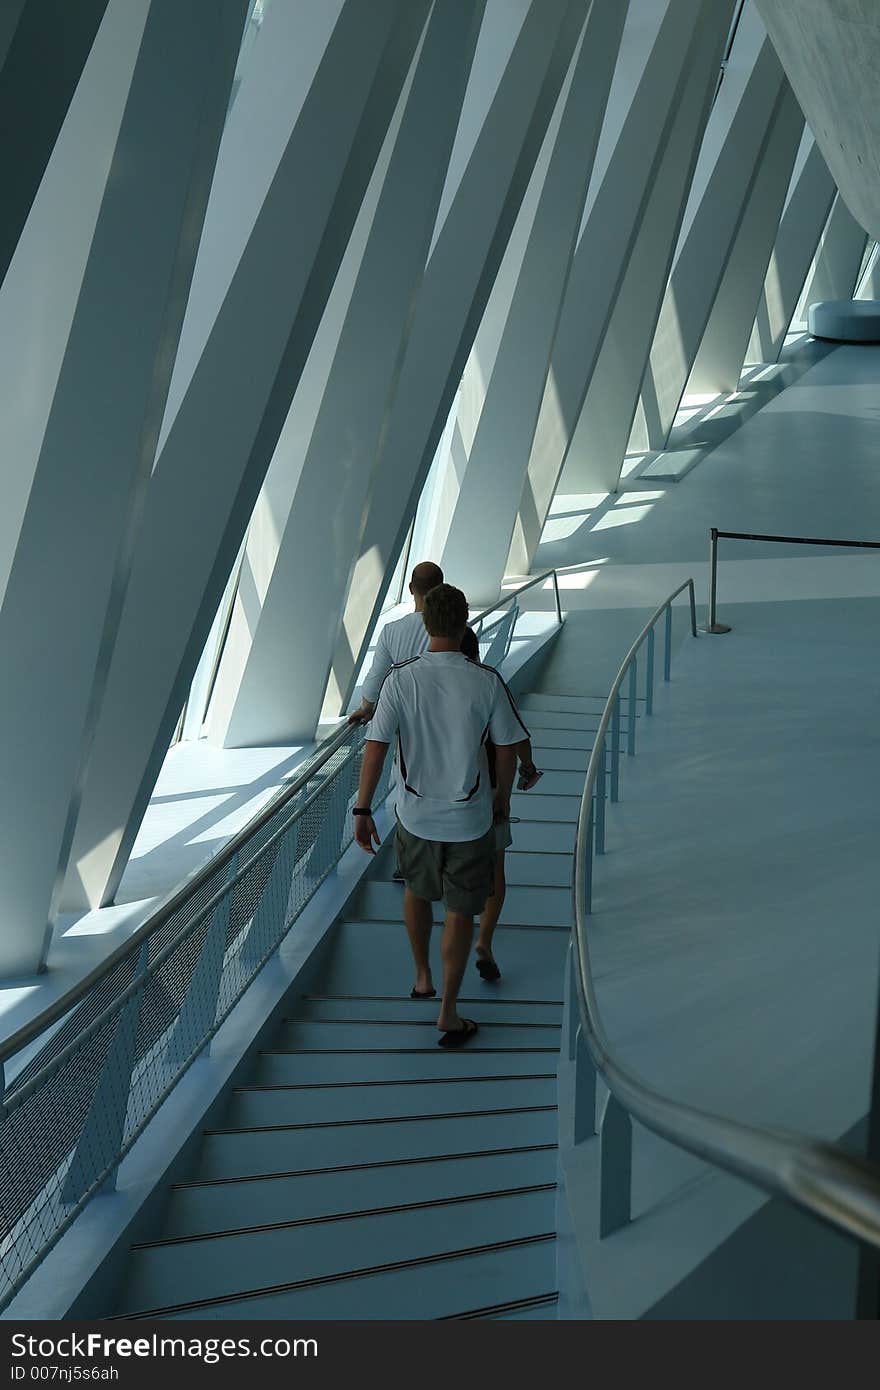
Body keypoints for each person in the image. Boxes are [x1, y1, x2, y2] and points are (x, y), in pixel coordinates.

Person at [353, 585, 529, 1046]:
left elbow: (376, 747)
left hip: (414, 818)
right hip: (470, 820)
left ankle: (422, 975)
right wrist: (503, 799)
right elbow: (508, 745)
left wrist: (362, 807)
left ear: (425, 622)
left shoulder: (400, 679)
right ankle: (449, 1012)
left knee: (415, 891)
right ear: (464, 621)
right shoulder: (485, 680)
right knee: (460, 911)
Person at [459, 626, 542, 983]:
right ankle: (483, 941)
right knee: (495, 869)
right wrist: (528, 767)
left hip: (439, 800)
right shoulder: (489, 683)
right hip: (490, 793)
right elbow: (517, 735)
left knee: (455, 874)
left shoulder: (422, 680)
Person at [347, 561, 444, 725]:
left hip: (408, 719)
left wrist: (366, 708)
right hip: (446, 714)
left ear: (411, 588)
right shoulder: (455, 629)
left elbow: (376, 678)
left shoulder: (392, 631)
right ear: (442, 588)